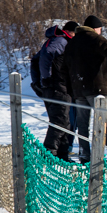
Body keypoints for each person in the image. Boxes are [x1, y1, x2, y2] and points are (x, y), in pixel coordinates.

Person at [59, 15, 107, 164]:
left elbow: (64, 69)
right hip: (97, 90)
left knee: (82, 124)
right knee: (106, 122)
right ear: (95, 28)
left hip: (79, 91)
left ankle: (84, 154)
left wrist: (71, 89)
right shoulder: (95, 39)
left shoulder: (72, 42)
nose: (100, 32)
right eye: (100, 29)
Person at [35, 21, 77, 161]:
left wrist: (37, 82)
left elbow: (35, 60)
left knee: (64, 122)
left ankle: (62, 156)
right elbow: (47, 54)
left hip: (56, 88)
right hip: (57, 87)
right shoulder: (61, 41)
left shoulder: (58, 40)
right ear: (71, 32)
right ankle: (48, 154)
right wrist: (45, 79)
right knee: (59, 122)